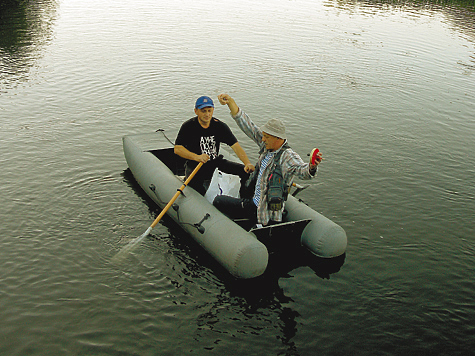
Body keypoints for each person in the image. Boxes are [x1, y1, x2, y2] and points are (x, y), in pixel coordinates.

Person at [213, 93, 322, 227]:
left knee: (218, 201)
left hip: (259, 210)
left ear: (277, 138)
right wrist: (230, 103)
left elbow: (302, 170)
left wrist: (312, 166)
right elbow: (249, 126)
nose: (262, 139)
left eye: (266, 137)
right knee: (246, 175)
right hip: (254, 199)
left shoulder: (287, 156)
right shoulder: (267, 145)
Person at [174, 95, 255, 195]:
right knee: (198, 190)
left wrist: (247, 163)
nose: (207, 114)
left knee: (244, 172)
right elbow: (177, 149)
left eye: (209, 110)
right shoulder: (189, 126)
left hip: (215, 162)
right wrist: (197, 157)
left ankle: (243, 200)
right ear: (196, 111)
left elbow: (235, 146)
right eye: (203, 111)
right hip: (196, 165)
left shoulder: (219, 126)